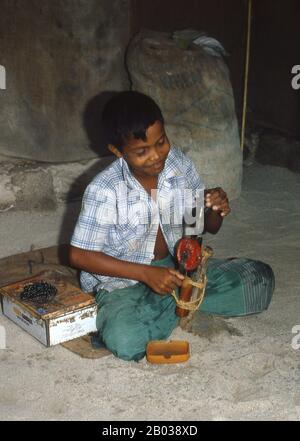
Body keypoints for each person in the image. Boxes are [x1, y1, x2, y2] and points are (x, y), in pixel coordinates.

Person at [69, 91, 274, 361]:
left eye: (161, 142)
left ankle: (171, 302)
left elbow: (203, 226)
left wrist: (214, 207)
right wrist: (146, 275)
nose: (156, 156)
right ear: (118, 152)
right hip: (124, 281)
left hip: (178, 267)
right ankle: (179, 302)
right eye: (142, 151)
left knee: (260, 279)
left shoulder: (176, 164)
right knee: (126, 340)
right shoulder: (104, 190)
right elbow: (79, 255)